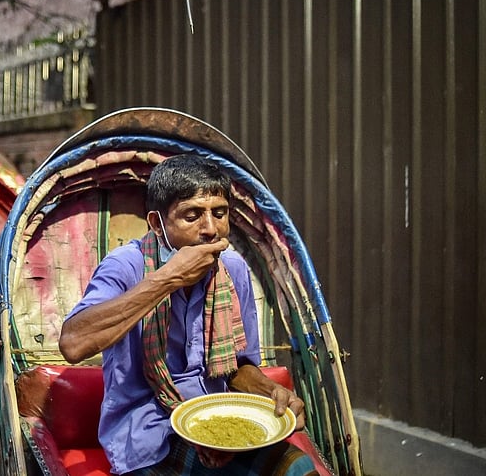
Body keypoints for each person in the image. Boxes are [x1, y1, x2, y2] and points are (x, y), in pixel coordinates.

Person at [58, 154, 316, 476]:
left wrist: (270, 391)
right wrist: (168, 278)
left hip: (216, 417)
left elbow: (238, 367)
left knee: (299, 467)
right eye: (192, 215)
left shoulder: (232, 269)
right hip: (148, 432)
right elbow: (73, 343)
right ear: (157, 223)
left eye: (219, 214)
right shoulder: (125, 266)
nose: (210, 229)